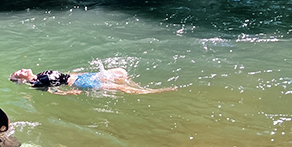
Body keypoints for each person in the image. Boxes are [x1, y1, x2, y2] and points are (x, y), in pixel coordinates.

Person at [9, 67, 177, 95]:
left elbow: (62, 75)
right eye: (20, 73)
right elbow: (51, 91)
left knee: (121, 72)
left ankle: (139, 87)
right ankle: (150, 92)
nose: (23, 70)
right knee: (118, 88)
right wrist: (68, 93)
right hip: (80, 84)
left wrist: (82, 73)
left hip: (81, 77)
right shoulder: (36, 83)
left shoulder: (39, 74)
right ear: (21, 79)